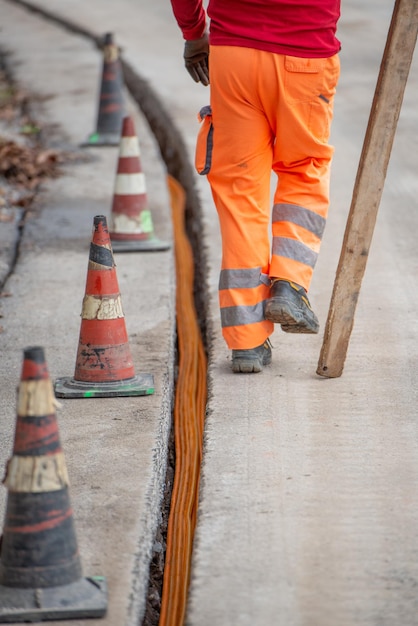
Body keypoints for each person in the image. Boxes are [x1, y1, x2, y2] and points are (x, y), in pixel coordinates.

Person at [170, 0, 341, 373]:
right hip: (306, 57)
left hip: (235, 56)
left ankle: (246, 340)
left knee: (240, 196)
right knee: (303, 172)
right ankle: (289, 286)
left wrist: (194, 33)